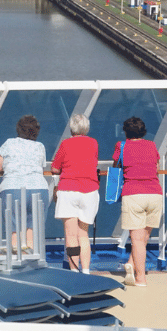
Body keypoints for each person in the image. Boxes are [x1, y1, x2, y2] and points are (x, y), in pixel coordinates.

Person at [113, 116, 162, 287]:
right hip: (155, 194)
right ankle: (131, 264)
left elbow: (116, 165)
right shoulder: (151, 145)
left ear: (126, 132)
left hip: (133, 193)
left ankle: (140, 278)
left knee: (137, 240)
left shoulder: (122, 146)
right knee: (144, 237)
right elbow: (155, 166)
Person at [0, 115, 50, 253]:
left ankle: (15, 259)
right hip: (39, 188)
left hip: (13, 187)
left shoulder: (9, 143)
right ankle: (30, 259)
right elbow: (41, 168)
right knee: (32, 228)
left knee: (14, 228)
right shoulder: (40, 146)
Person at [51, 113, 99, 273]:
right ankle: (86, 271)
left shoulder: (66, 144)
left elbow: (55, 168)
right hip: (90, 191)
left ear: (71, 128)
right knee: (83, 234)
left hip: (69, 190)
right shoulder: (93, 143)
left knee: (71, 236)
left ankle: (74, 272)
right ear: (86, 128)